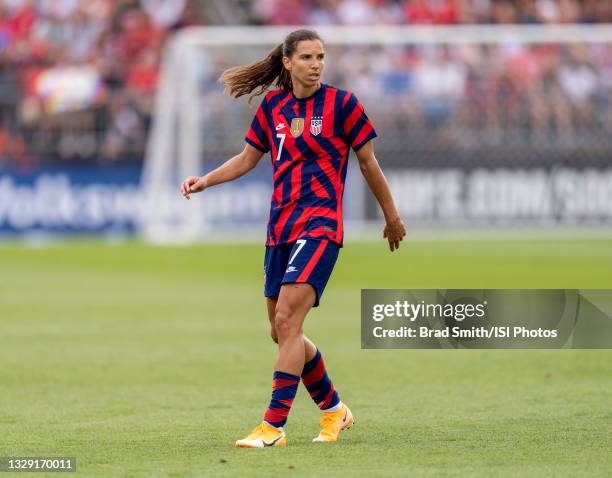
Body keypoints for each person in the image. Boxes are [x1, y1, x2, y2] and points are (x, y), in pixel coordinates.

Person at [180, 29, 406, 448]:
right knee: (281, 332)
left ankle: (273, 427)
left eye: (320, 56)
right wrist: (206, 181)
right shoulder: (273, 106)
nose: (316, 64)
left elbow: (369, 164)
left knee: (287, 321)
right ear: (288, 62)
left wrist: (391, 217)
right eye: (306, 57)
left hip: (320, 225)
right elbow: (248, 158)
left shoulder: (343, 104)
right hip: (279, 228)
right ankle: (335, 411)